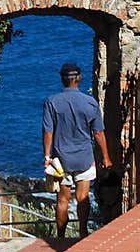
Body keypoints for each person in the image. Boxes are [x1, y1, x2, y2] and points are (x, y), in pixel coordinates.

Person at [42, 61, 112, 240]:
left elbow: (48, 131)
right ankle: (82, 231)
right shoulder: (90, 102)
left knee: (62, 200)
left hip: (61, 159)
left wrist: (47, 156)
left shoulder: (52, 102)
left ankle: (60, 237)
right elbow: (98, 132)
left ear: (62, 79)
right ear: (79, 78)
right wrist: (105, 157)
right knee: (83, 197)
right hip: (84, 157)